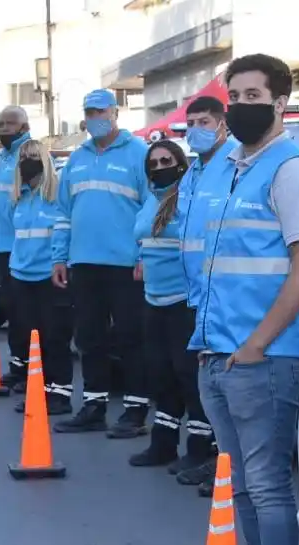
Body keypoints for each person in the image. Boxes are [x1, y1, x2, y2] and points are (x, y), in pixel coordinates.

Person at [188, 53, 299, 545]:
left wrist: (255, 345)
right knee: (243, 491)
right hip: (218, 356)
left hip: (264, 360)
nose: (240, 103)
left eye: (252, 94)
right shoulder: (231, 168)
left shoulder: (292, 169)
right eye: (234, 93)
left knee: (268, 491)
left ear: (279, 101)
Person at [51, 89, 150, 437]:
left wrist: (144, 256)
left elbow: (154, 210)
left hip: (126, 265)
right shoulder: (77, 159)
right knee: (89, 338)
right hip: (84, 263)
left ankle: (136, 411)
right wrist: (59, 257)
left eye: (100, 111)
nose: (94, 118)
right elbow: (63, 213)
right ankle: (93, 406)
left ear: (115, 112)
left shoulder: (140, 154)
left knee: (130, 338)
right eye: (89, 112)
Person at [126, 139, 213, 470]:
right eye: (154, 162)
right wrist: (138, 258)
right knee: (159, 373)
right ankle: (162, 444)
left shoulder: (191, 199)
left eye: (167, 160)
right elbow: (141, 237)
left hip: (183, 299)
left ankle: (199, 447)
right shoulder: (150, 199)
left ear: (181, 163)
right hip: (153, 297)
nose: (160, 166)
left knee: (187, 374)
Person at [174, 95, 239, 489]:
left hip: (223, 294)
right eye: (191, 122)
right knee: (208, 386)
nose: (196, 129)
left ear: (221, 123)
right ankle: (219, 463)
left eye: (203, 121)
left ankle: (227, 468)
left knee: (227, 389)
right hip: (198, 293)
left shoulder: (235, 163)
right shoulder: (195, 170)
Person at [9, 139, 74, 415]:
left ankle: (60, 395)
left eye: (34, 155)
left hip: (50, 277)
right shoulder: (20, 198)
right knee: (32, 337)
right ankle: (41, 391)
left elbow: (65, 232)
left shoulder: (57, 195)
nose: (28, 160)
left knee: (55, 338)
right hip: (21, 276)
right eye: (24, 156)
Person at [0, 106, 33, 391]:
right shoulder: (5, 157)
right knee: (12, 308)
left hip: (22, 246)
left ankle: (28, 369)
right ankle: (17, 365)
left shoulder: (27, 155)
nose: (4, 128)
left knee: (23, 311)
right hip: (4, 246)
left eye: (10, 124)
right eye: (1, 123)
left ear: (24, 126)